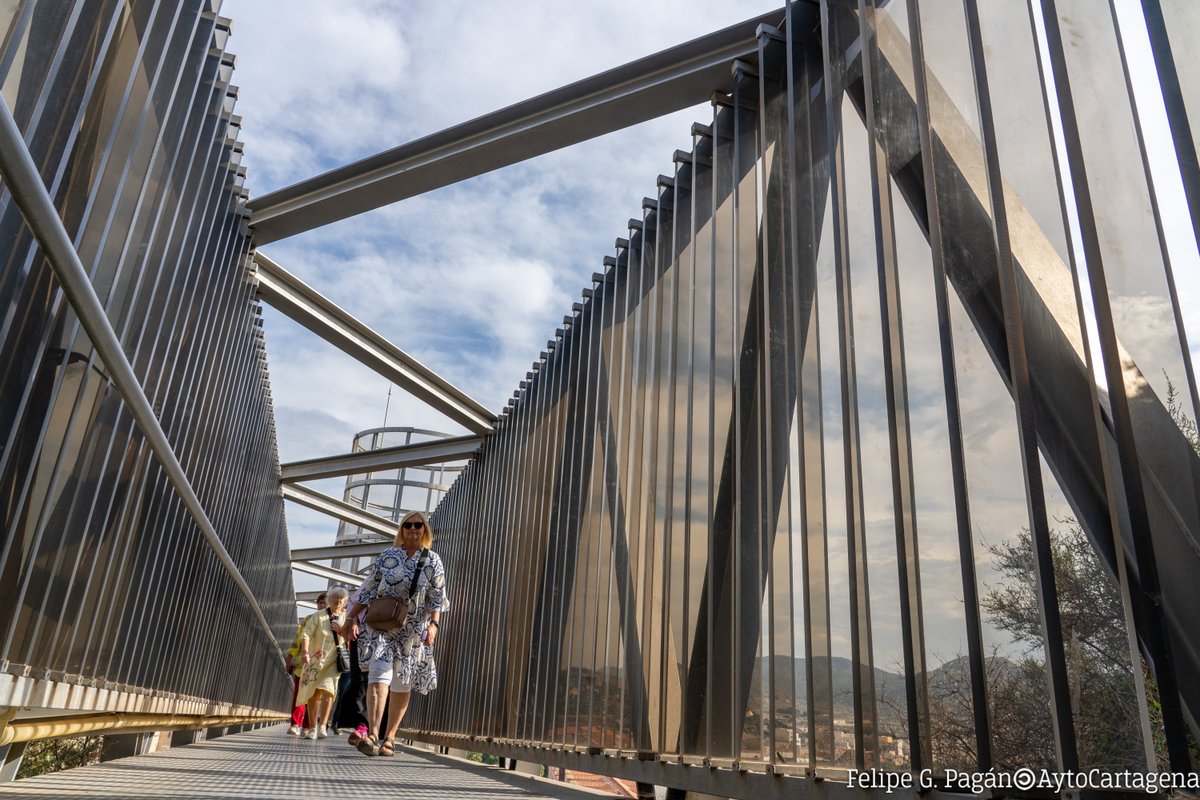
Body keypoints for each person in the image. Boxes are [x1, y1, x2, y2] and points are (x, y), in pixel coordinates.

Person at [345, 510, 448, 757]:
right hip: (382, 627)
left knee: (402, 684)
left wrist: (434, 625)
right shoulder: (388, 555)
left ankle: (390, 737)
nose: (413, 529)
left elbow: (437, 597)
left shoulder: (433, 560)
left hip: (413, 631)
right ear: (401, 529)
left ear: (425, 530)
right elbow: (370, 587)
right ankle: (372, 733)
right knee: (378, 676)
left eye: (418, 525)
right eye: (408, 525)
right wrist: (351, 616)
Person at [296, 586, 348, 740]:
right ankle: (313, 727)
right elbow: (306, 634)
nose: (338, 601)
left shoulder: (347, 617)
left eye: (341, 599)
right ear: (329, 600)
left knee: (329, 691)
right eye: (335, 598)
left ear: (345, 601)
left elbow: (352, 637)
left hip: (333, 661)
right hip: (315, 660)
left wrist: (341, 631)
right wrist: (305, 652)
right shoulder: (318, 616)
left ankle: (323, 725)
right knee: (314, 693)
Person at [286, 592, 326, 735]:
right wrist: (290, 657)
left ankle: (308, 726)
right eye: (320, 602)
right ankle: (296, 724)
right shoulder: (308, 619)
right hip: (303, 663)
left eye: (325, 602)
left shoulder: (334, 621)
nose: (322, 605)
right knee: (299, 694)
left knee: (314, 696)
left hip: (321, 664)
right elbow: (298, 639)